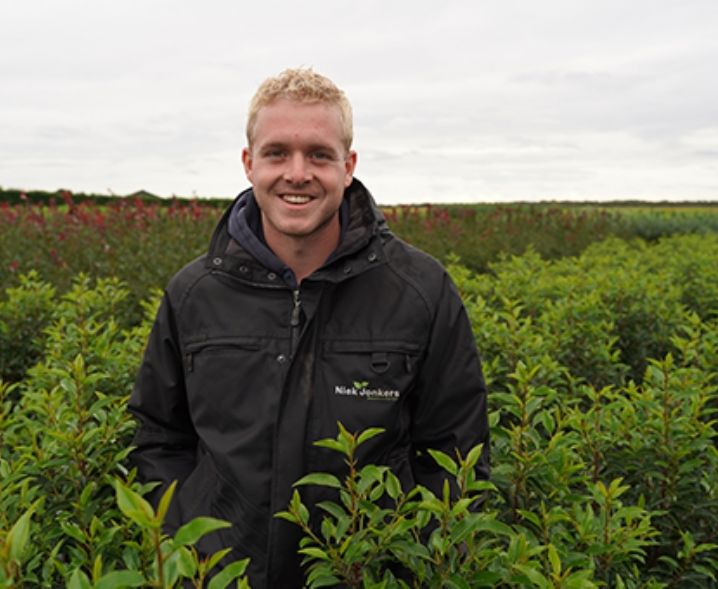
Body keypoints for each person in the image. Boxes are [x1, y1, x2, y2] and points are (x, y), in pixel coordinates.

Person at [127, 68, 489, 588]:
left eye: (319, 154)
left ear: (349, 166)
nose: (297, 173)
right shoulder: (194, 294)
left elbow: (456, 455)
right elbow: (158, 438)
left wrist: (408, 569)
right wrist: (192, 549)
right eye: (277, 153)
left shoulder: (421, 291)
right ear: (249, 164)